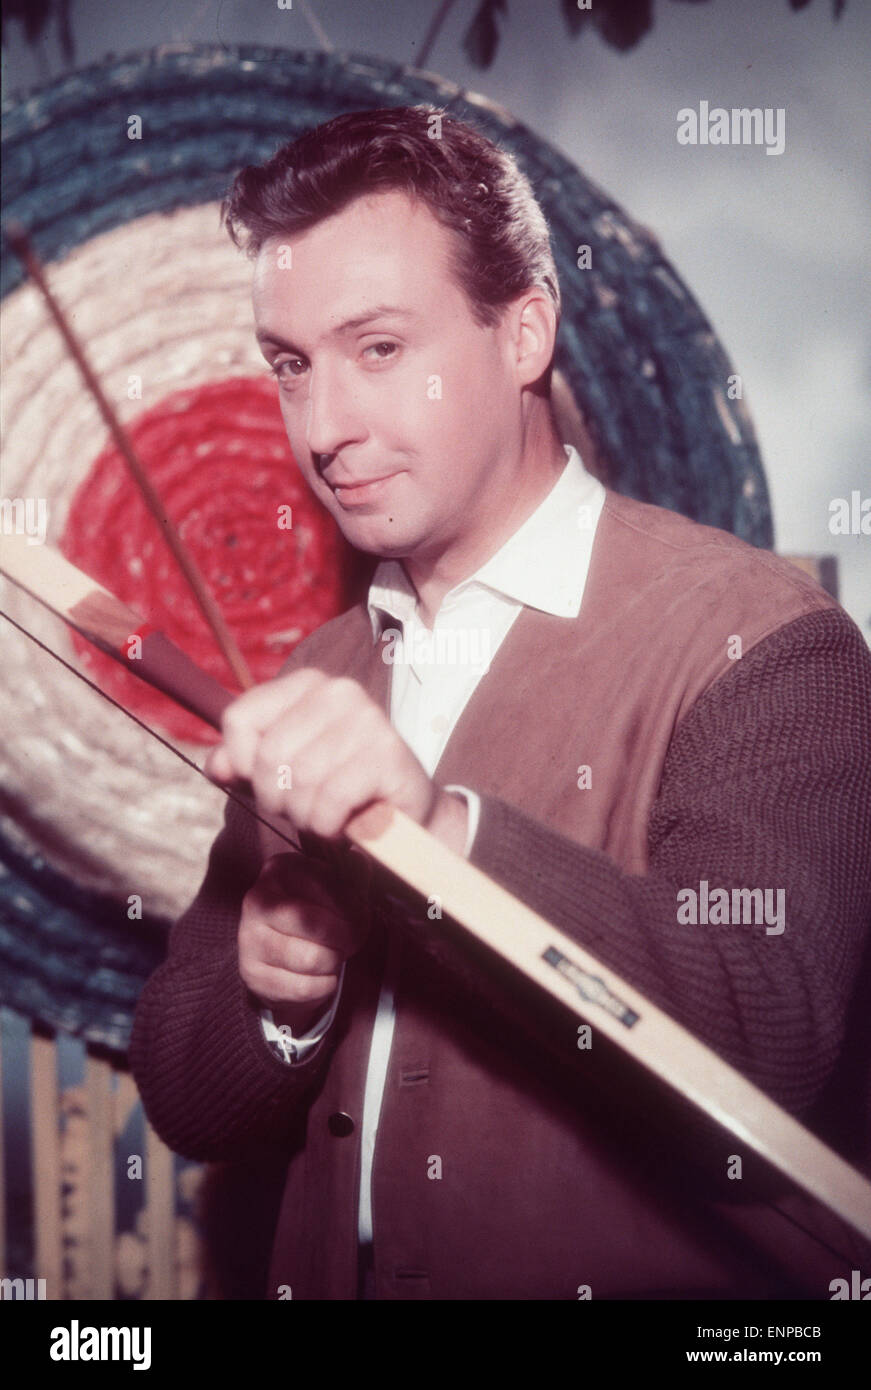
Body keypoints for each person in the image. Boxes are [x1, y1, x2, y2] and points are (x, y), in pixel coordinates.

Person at [129, 106, 871, 1301]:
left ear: (524, 331)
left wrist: (441, 837)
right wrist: (276, 999)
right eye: (290, 364)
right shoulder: (317, 671)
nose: (323, 428)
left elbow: (765, 1034)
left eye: (377, 349)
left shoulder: (766, 640)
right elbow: (182, 1093)